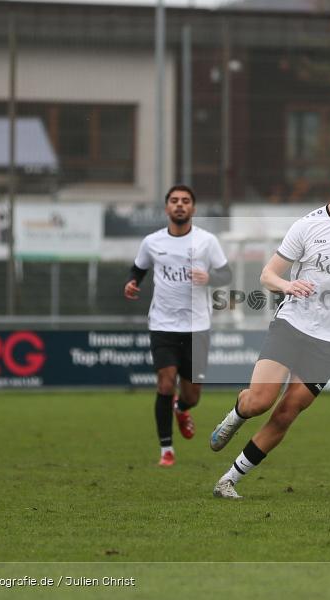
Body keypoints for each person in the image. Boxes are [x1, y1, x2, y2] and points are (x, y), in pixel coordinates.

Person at [208, 156, 330, 499]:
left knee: (286, 413)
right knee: (260, 402)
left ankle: (228, 480)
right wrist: (287, 285)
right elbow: (267, 275)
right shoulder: (306, 227)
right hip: (292, 325)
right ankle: (238, 413)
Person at [124, 184, 232, 467]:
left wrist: (210, 278)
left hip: (197, 327)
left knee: (192, 395)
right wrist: (132, 283)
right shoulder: (152, 242)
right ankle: (166, 450)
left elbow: (226, 274)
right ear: (166, 208)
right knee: (165, 381)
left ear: (193, 208)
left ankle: (181, 408)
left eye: (185, 200)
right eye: (174, 200)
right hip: (163, 325)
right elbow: (138, 268)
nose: (180, 205)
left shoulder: (207, 241)